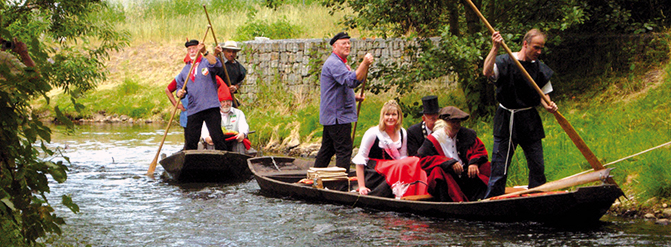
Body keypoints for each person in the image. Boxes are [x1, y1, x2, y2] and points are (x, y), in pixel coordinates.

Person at [482, 29, 559, 198]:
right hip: (506, 119)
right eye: (536, 47)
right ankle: (492, 201)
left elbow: (544, 97)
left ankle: (536, 199)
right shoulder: (504, 62)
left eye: (541, 48)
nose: (538, 52)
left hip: (529, 120)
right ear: (525, 44)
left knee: (537, 166)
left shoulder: (540, 69)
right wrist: (495, 48)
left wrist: (549, 106)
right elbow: (487, 72)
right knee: (499, 167)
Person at [313, 32, 374, 172]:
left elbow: (340, 88)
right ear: (335, 46)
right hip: (337, 117)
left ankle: (315, 176)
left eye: (348, 43)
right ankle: (340, 182)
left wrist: (354, 97)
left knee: (327, 150)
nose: (347, 46)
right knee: (344, 150)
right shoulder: (334, 63)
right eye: (343, 43)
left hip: (333, 116)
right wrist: (364, 64)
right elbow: (351, 81)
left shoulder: (340, 63)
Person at [352, 100, 429, 198]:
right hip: (376, 173)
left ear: (398, 116)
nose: (390, 118)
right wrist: (362, 186)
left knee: (416, 160)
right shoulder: (372, 133)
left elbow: (402, 158)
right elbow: (360, 161)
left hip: (395, 169)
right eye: (387, 114)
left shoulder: (402, 132)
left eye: (394, 114)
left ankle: (416, 191)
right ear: (382, 116)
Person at [416, 106, 491, 201]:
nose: (456, 125)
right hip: (448, 179)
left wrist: (474, 163)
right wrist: (449, 163)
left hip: (466, 175)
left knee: (485, 167)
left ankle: (486, 196)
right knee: (437, 172)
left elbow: (479, 150)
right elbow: (424, 160)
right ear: (444, 123)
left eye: (458, 122)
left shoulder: (466, 134)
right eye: (453, 122)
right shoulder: (433, 139)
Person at [175, 39, 228, 151]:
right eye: (189, 49)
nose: (192, 51)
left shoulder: (206, 62)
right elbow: (179, 86)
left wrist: (206, 52)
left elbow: (216, 65)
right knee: (191, 140)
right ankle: (191, 162)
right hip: (194, 108)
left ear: (198, 49)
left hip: (210, 106)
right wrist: (179, 92)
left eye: (194, 48)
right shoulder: (185, 70)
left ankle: (224, 160)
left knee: (217, 136)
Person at [200, 82, 251, 153]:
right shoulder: (211, 114)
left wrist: (242, 133)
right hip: (216, 141)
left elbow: (244, 126)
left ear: (231, 102)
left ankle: (239, 162)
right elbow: (205, 130)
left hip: (234, 141)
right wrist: (206, 138)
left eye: (228, 101)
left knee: (240, 143)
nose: (226, 104)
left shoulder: (238, 113)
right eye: (223, 102)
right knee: (211, 143)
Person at [214, 41, 246, 106]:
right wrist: (215, 54)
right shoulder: (217, 62)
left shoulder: (239, 67)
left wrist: (235, 87)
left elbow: (240, 81)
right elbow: (209, 66)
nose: (231, 54)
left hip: (229, 98)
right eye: (229, 51)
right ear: (223, 51)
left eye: (233, 52)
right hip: (216, 97)